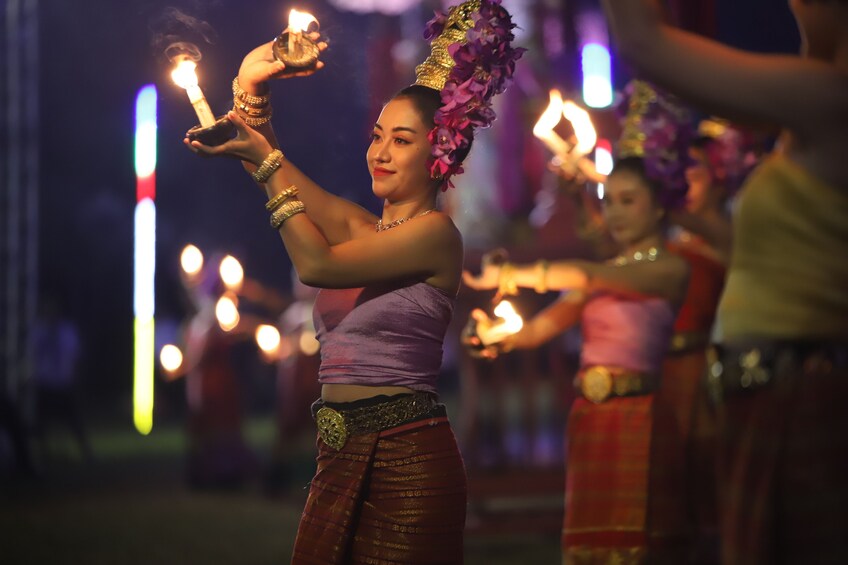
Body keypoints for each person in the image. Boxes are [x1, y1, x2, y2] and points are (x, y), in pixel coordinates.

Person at [186, 1, 523, 562]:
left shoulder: (437, 235)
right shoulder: (355, 224)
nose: (380, 152)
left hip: (408, 462)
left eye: (402, 140)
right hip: (337, 456)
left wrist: (266, 165)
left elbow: (316, 263)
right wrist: (255, 73)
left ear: (440, 153)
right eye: (377, 134)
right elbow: (267, 160)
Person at [600, 1, 848, 563]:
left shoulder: (829, 100)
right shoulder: (819, 102)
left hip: (800, 397)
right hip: (778, 394)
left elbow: (643, 43)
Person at [464, 153, 691, 562]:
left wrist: (511, 275)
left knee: (641, 543)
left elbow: (587, 275)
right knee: (593, 544)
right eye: (610, 201)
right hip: (592, 418)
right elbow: (538, 330)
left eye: (629, 200)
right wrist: (494, 335)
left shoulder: (669, 269)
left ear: (659, 206)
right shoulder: (607, 272)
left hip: (642, 417)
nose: (615, 212)